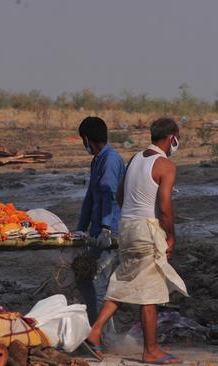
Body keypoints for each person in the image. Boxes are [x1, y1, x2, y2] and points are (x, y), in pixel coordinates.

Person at [83, 118, 188, 364]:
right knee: (150, 290)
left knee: (125, 282)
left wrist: (133, 216)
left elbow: (120, 195)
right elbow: (164, 206)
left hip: (127, 227)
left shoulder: (136, 159)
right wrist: (170, 235)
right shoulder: (166, 165)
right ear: (172, 137)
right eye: (177, 138)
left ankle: (94, 332)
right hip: (146, 230)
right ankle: (151, 350)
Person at [74, 116, 126, 328]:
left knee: (97, 283)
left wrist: (105, 227)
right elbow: (90, 198)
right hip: (96, 232)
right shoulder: (97, 160)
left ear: (87, 139)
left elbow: (109, 195)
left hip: (109, 233)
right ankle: (96, 331)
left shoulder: (111, 160)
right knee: (84, 277)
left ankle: (104, 339)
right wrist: (79, 230)